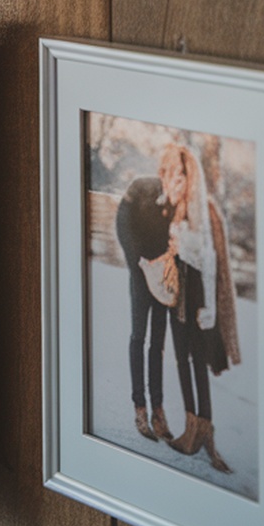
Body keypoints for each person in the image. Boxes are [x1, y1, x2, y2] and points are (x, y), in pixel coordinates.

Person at [154, 142, 241, 472]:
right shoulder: (175, 206)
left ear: (188, 173)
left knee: (198, 361)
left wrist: (212, 312)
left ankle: (204, 429)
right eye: (168, 173)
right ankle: (192, 427)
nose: (172, 179)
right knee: (181, 358)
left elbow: (209, 260)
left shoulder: (204, 208)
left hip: (198, 299)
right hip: (179, 295)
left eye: (177, 173)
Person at [115, 174, 175, 442]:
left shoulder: (164, 201)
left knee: (157, 344)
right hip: (141, 279)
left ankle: (157, 411)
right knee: (139, 338)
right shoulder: (128, 206)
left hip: (161, 280)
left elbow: (170, 237)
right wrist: (141, 270)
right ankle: (140, 407)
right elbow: (127, 241)